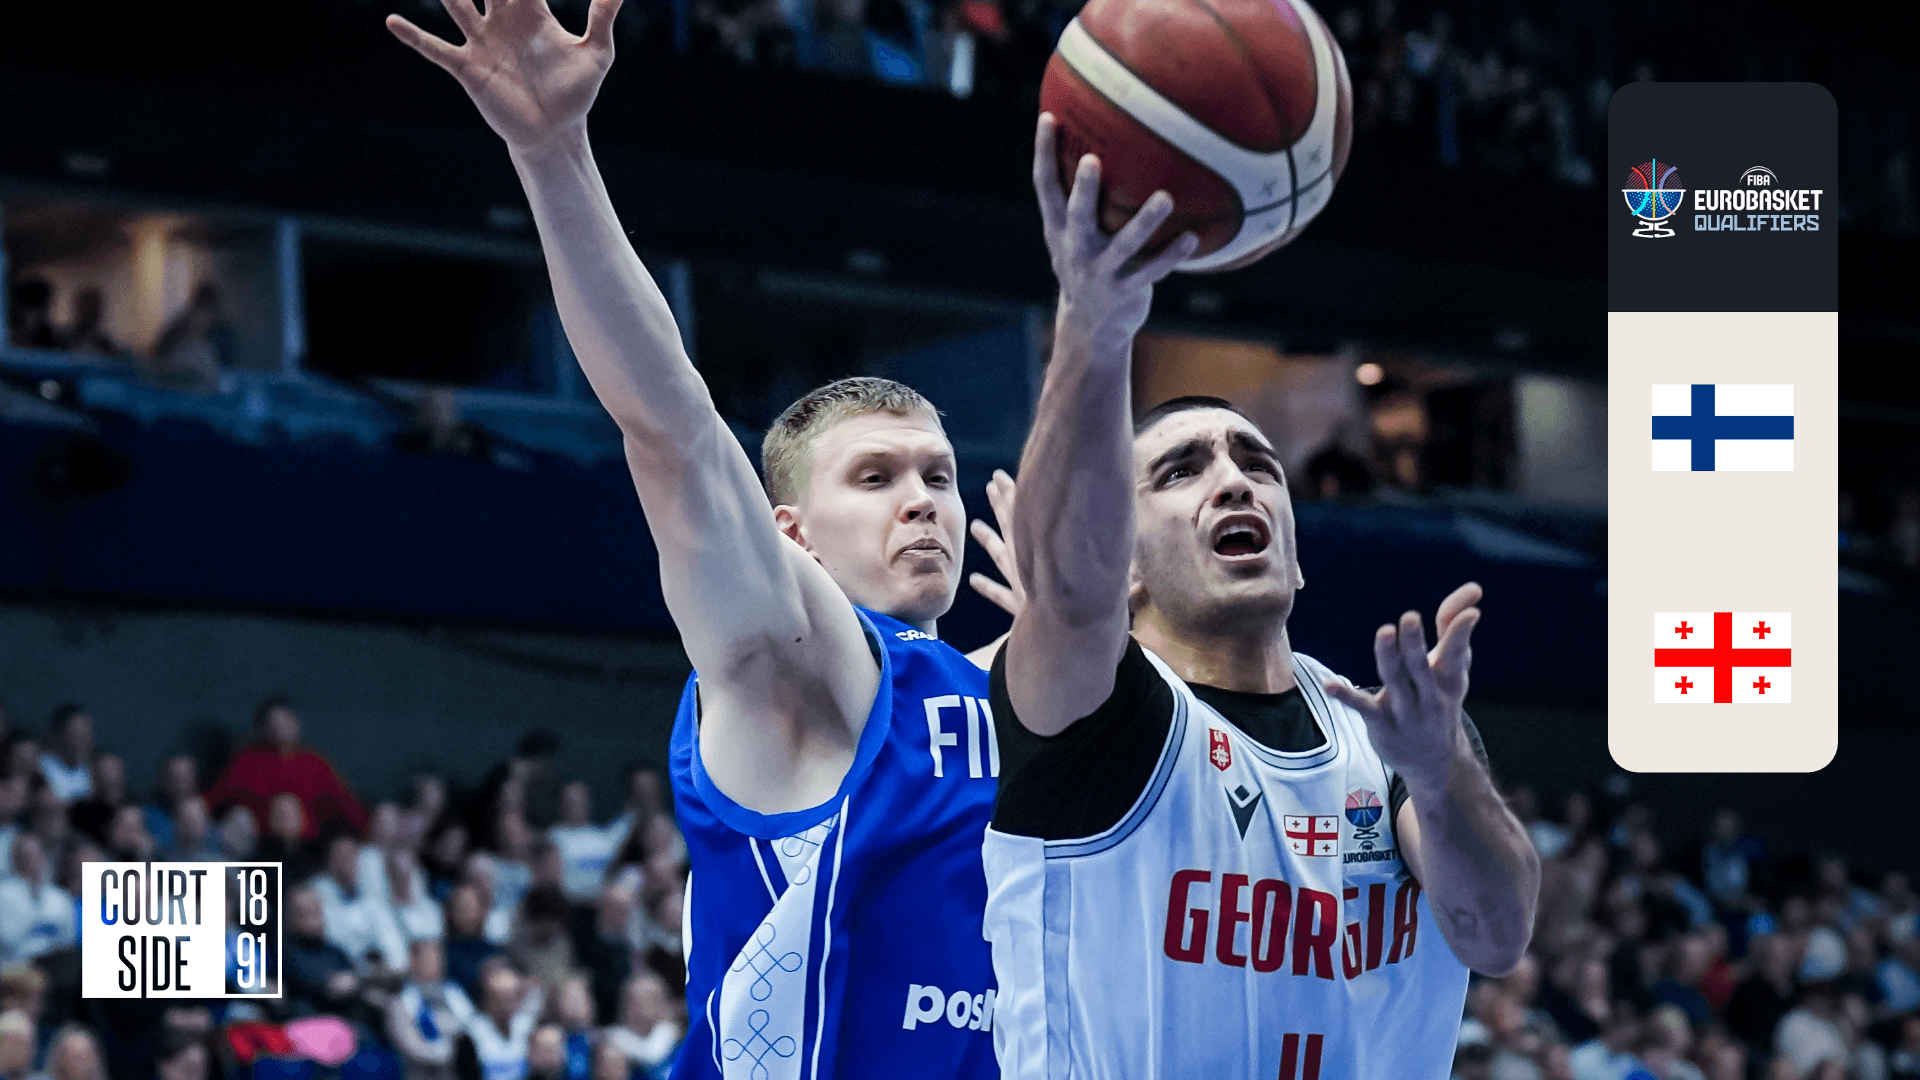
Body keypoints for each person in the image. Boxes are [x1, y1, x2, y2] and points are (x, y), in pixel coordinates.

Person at [387, 5, 1010, 1078]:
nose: (922, 501)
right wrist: (553, 153)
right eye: (876, 477)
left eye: (939, 477)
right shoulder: (789, 660)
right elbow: (672, 429)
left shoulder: (995, 698)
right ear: (790, 533)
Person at [976, 115, 1541, 1078]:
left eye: (1257, 464)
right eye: (1182, 471)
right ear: (1126, 563)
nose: (1234, 482)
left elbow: (1496, 936)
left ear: (1297, 551)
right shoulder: (1097, 717)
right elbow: (1070, 592)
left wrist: (1437, 768)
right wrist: (1093, 327)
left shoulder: (1387, 735)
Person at [204, 695, 369, 843]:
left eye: (285, 720)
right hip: (258, 847)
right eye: (274, 722)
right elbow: (214, 798)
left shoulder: (314, 763)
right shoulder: (246, 761)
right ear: (264, 727)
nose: (280, 726)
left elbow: (346, 804)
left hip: (306, 847)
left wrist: (368, 831)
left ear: (297, 723)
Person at [389, 938, 479, 1080]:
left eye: (437, 958)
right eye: (427, 959)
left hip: (457, 1071)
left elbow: (471, 1027)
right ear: (412, 961)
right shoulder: (401, 1000)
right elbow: (410, 1045)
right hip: (420, 1072)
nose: (434, 964)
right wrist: (445, 1050)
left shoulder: (455, 992)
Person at [453, 959, 542, 1080]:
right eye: (505, 997)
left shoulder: (526, 1027)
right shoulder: (470, 1033)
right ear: (488, 998)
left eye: (514, 996)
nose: (510, 1005)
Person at [0, 836, 76, 963]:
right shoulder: (3, 894)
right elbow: (6, 940)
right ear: (15, 860)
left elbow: (68, 940)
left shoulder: (60, 897)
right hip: (16, 964)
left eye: (37, 856)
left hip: (55, 964)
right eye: (26, 856)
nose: (33, 862)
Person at [38, 706, 93, 803]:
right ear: (60, 732)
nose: (82, 737)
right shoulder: (42, 767)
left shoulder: (90, 771)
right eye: (76, 731)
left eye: (85, 732)